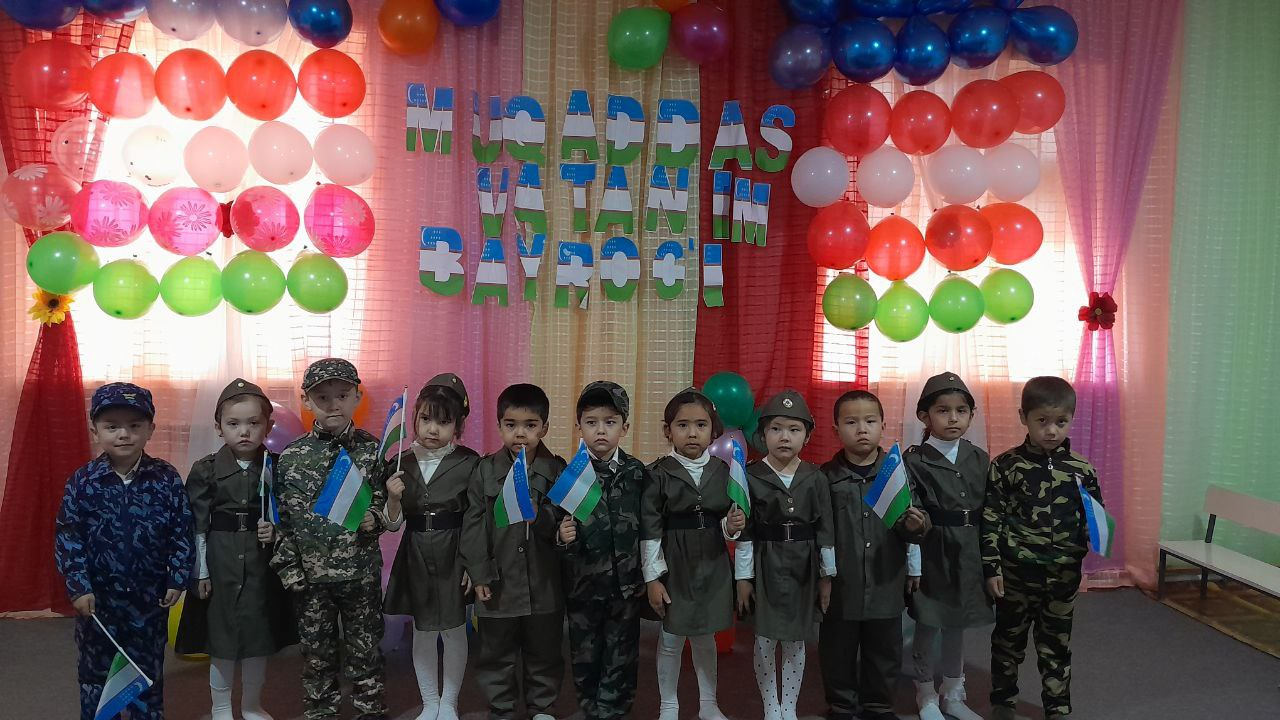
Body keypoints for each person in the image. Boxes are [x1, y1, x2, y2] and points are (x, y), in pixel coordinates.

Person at [55, 382, 194, 720]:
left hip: (149, 601)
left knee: (146, 675)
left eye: (134, 425)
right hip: (99, 603)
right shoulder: (83, 482)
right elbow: (68, 537)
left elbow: (181, 530)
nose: (123, 434)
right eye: (112, 426)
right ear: (95, 431)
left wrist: (177, 577)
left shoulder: (166, 478)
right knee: (97, 678)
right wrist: (79, 586)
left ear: (150, 430)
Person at [271, 358, 396, 720]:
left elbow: (381, 502)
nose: (333, 405)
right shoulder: (292, 457)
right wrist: (291, 571)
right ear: (306, 401)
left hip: (360, 573)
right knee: (317, 656)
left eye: (342, 395)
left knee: (366, 651)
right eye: (322, 397)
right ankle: (321, 711)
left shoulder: (372, 450)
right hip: (311, 581)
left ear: (357, 397)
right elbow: (283, 522)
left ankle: (369, 710)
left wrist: (374, 517)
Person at [983, 377, 1102, 720]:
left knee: (1056, 645)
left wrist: (1093, 540)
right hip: (1016, 575)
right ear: (1024, 417)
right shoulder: (1005, 466)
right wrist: (992, 568)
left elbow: (1094, 520)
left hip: (1061, 576)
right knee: (1008, 642)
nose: (1051, 430)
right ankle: (1003, 702)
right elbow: (991, 519)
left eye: (1061, 422)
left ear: (1071, 419)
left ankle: (1057, 707)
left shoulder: (1081, 470)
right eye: (1042, 421)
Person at [177, 379, 296, 720]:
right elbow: (197, 526)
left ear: (268, 426)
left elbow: (290, 514)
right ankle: (221, 708)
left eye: (253, 423)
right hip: (221, 561)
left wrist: (276, 529)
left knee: (258, 638)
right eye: (233, 423)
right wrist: (200, 573)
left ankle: (251, 705)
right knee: (222, 640)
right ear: (218, 427)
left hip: (260, 564)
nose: (244, 431)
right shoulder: (206, 469)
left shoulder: (276, 466)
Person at [819, 390, 930, 720]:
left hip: (885, 579)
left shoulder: (897, 474)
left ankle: (878, 705)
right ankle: (841, 704)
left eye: (870, 421)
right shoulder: (825, 477)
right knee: (837, 648)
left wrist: (917, 525)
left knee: (884, 649)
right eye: (851, 422)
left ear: (883, 425)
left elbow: (915, 523)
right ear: (836, 429)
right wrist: (823, 576)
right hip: (843, 582)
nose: (861, 429)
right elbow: (819, 530)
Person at [462, 383, 567, 720]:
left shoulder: (557, 469)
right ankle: (502, 707)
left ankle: (542, 707)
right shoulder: (485, 470)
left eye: (530, 425)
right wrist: (479, 573)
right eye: (511, 425)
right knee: (496, 652)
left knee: (545, 650)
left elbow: (565, 521)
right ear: (499, 426)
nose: (520, 433)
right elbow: (474, 525)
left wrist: (542, 517)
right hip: (499, 581)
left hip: (543, 582)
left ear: (544, 428)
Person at [642, 388, 746, 720]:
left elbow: (726, 525)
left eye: (701, 425)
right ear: (668, 430)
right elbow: (650, 529)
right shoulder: (658, 473)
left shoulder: (723, 470)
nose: (692, 433)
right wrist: (653, 578)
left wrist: (731, 526)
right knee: (672, 637)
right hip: (674, 564)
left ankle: (708, 704)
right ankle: (668, 706)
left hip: (712, 563)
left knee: (705, 636)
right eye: (682, 425)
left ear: (713, 430)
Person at [384, 374, 481, 720]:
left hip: (454, 552)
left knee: (454, 630)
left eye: (444, 421)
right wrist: (393, 499)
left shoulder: (470, 462)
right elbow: (392, 524)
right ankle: (430, 703)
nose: (433, 429)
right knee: (423, 631)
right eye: (425, 418)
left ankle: (449, 702)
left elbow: (476, 519)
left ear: (458, 425)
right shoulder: (401, 463)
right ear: (414, 417)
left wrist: (473, 563)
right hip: (416, 554)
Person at [735, 390, 836, 720]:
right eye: (776, 429)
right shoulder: (751, 475)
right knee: (765, 639)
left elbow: (826, 530)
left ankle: (788, 706)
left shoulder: (815, 477)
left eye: (794, 429)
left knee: (795, 639)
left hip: (804, 567)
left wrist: (827, 577)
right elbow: (746, 532)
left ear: (807, 436)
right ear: (763, 434)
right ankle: (771, 705)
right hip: (766, 563)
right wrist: (743, 579)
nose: (784, 437)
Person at [558, 381, 650, 720]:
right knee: (585, 654)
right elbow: (555, 527)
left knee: (622, 653)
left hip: (625, 586)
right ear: (579, 427)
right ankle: (589, 708)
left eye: (610, 422)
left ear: (624, 428)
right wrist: (562, 536)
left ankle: (614, 710)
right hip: (583, 586)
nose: (600, 430)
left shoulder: (637, 473)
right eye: (591, 422)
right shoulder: (571, 475)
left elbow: (649, 526)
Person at [903, 373, 991, 720]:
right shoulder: (914, 460)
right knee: (929, 621)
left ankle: (953, 692)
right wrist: (914, 562)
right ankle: (925, 693)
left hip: (969, 552)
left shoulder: (979, 458)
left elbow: (991, 510)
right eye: (943, 411)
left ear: (972, 415)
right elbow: (910, 514)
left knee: (958, 622)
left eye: (961, 411)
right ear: (924, 416)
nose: (953, 418)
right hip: (933, 551)